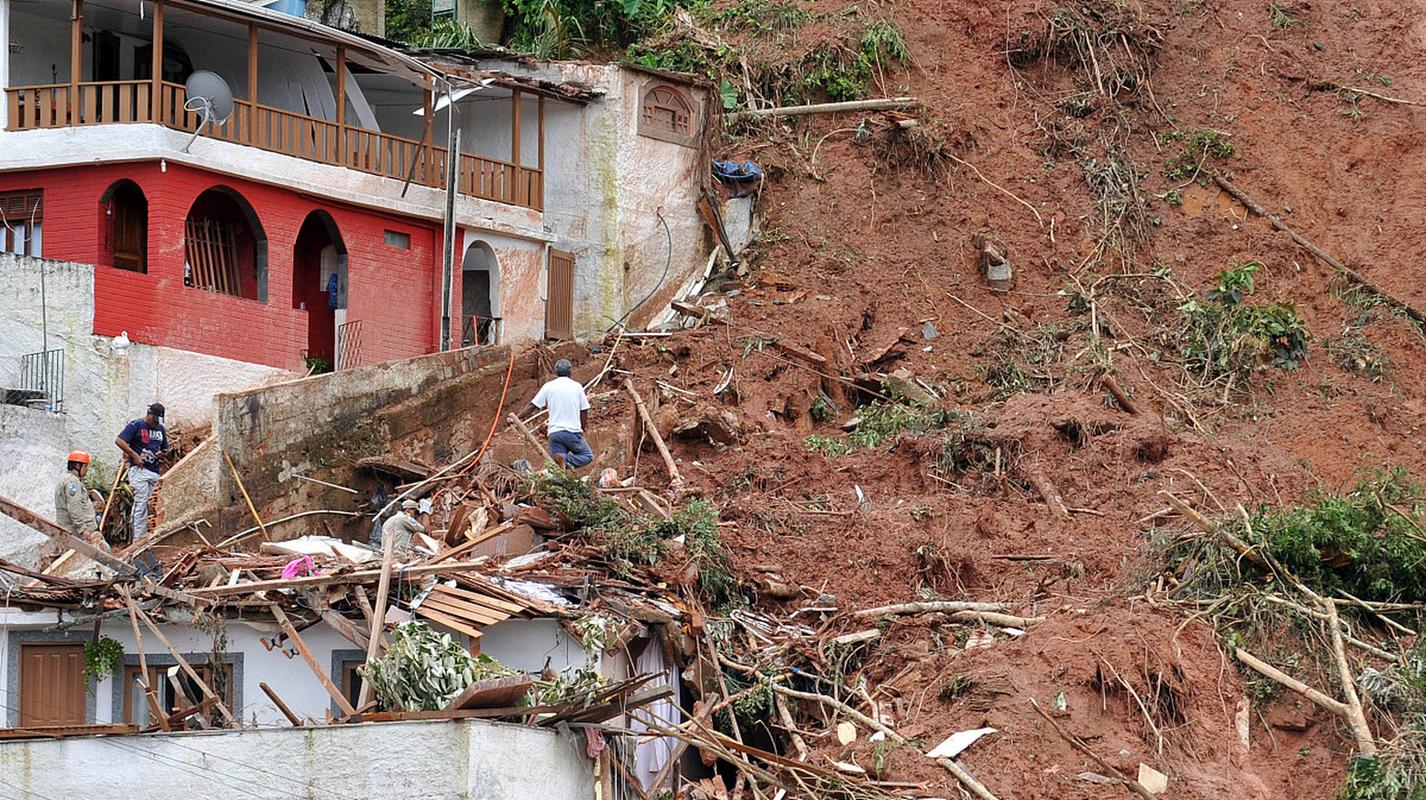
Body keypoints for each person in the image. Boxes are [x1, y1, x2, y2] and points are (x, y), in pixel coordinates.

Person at [521, 359, 594, 469]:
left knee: (559, 467)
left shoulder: (548, 386)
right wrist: (582, 428)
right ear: (570, 371)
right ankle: (565, 459)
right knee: (587, 456)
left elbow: (533, 405)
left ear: (556, 372)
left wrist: (517, 417)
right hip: (572, 432)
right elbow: (583, 410)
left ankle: (561, 468)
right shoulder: (576, 386)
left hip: (554, 433)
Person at [115, 403, 169, 540]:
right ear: (149, 413)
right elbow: (120, 441)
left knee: (154, 504)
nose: (156, 422)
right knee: (142, 502)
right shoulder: (136, 425)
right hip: (139, 470)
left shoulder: (160, 429)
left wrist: (161, 454)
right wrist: (135, 456)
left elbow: (165, 448)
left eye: (158, 419)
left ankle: (150, 536)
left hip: (154, 470)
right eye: (155, 418)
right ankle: (138, 539)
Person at [54, 450, 100, 544]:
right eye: (85, 466)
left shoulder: (67, 479)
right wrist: (83, 530)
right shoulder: (72, 482)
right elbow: (74, 508)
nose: (87, 469)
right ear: (77, 466)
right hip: (77, 533)